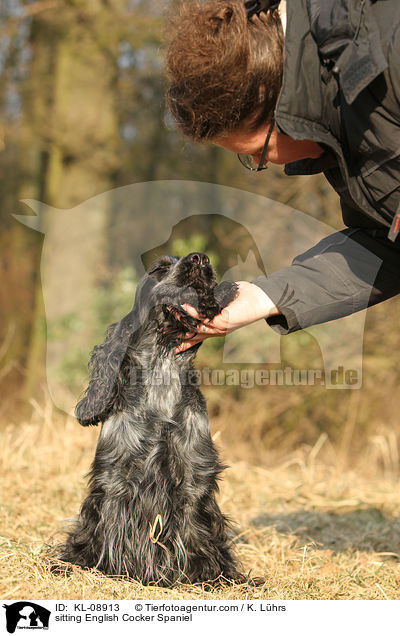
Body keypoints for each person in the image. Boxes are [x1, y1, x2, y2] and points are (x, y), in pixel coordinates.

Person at [164, 0, 400, 353]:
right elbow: (385, 242)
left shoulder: (385, 43)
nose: (267, 165)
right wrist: (263, 296)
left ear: (277, 104)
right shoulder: (337, 129)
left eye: (256, 154)